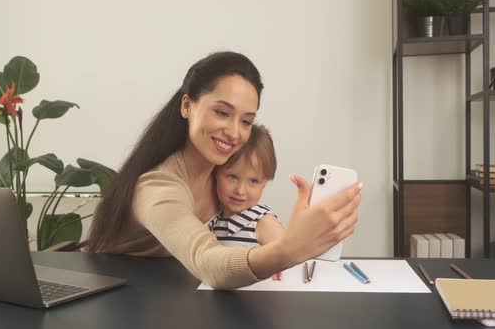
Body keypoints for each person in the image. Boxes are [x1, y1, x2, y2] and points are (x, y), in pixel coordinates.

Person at [87, 51, 362, 289]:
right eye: (222, 112)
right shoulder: (157, 186)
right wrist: (288, 249)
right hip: (129, 304)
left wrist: (286, 230)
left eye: (246, 121)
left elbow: (248, 219)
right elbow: (208, 262)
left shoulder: (220, 175)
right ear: (187, 105)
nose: (233, 133)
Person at [209, 124, 284, 247]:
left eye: (253, 181)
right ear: (215, 172)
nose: (240, 191)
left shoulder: (263, 223)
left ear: (265, 182)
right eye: (232, 177)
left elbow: (290, 259)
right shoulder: (213, 219)